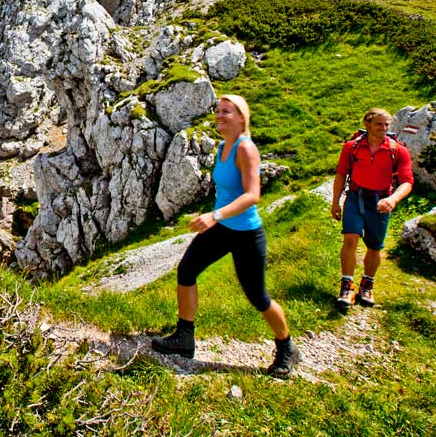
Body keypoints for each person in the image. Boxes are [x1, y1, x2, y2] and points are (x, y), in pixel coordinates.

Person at [151, 94, 300, 378]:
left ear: (241, 118)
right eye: (218, 111)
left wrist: (214, 216)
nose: (219, 116)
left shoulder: (246, 149)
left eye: (227, 112)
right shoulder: (222, 147)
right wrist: (215, 216)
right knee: (186, 271)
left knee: (257, 296)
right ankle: (184, 337)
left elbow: (252, 195)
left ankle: (287, 348)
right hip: (222, 228)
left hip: (245, 233)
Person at [331, 107, 414, 309]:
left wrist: (393, 199)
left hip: (381, 200)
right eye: (379, 124)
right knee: (350, 238)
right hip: (355, 197)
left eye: (387, 125)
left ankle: (367, 284)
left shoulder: (398, 151)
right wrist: (335, 202)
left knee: (374, 247)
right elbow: (341, 174)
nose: (384, 128)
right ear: (367, 124)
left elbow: (407, 182)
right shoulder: (352, 147)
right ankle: (347, 286)